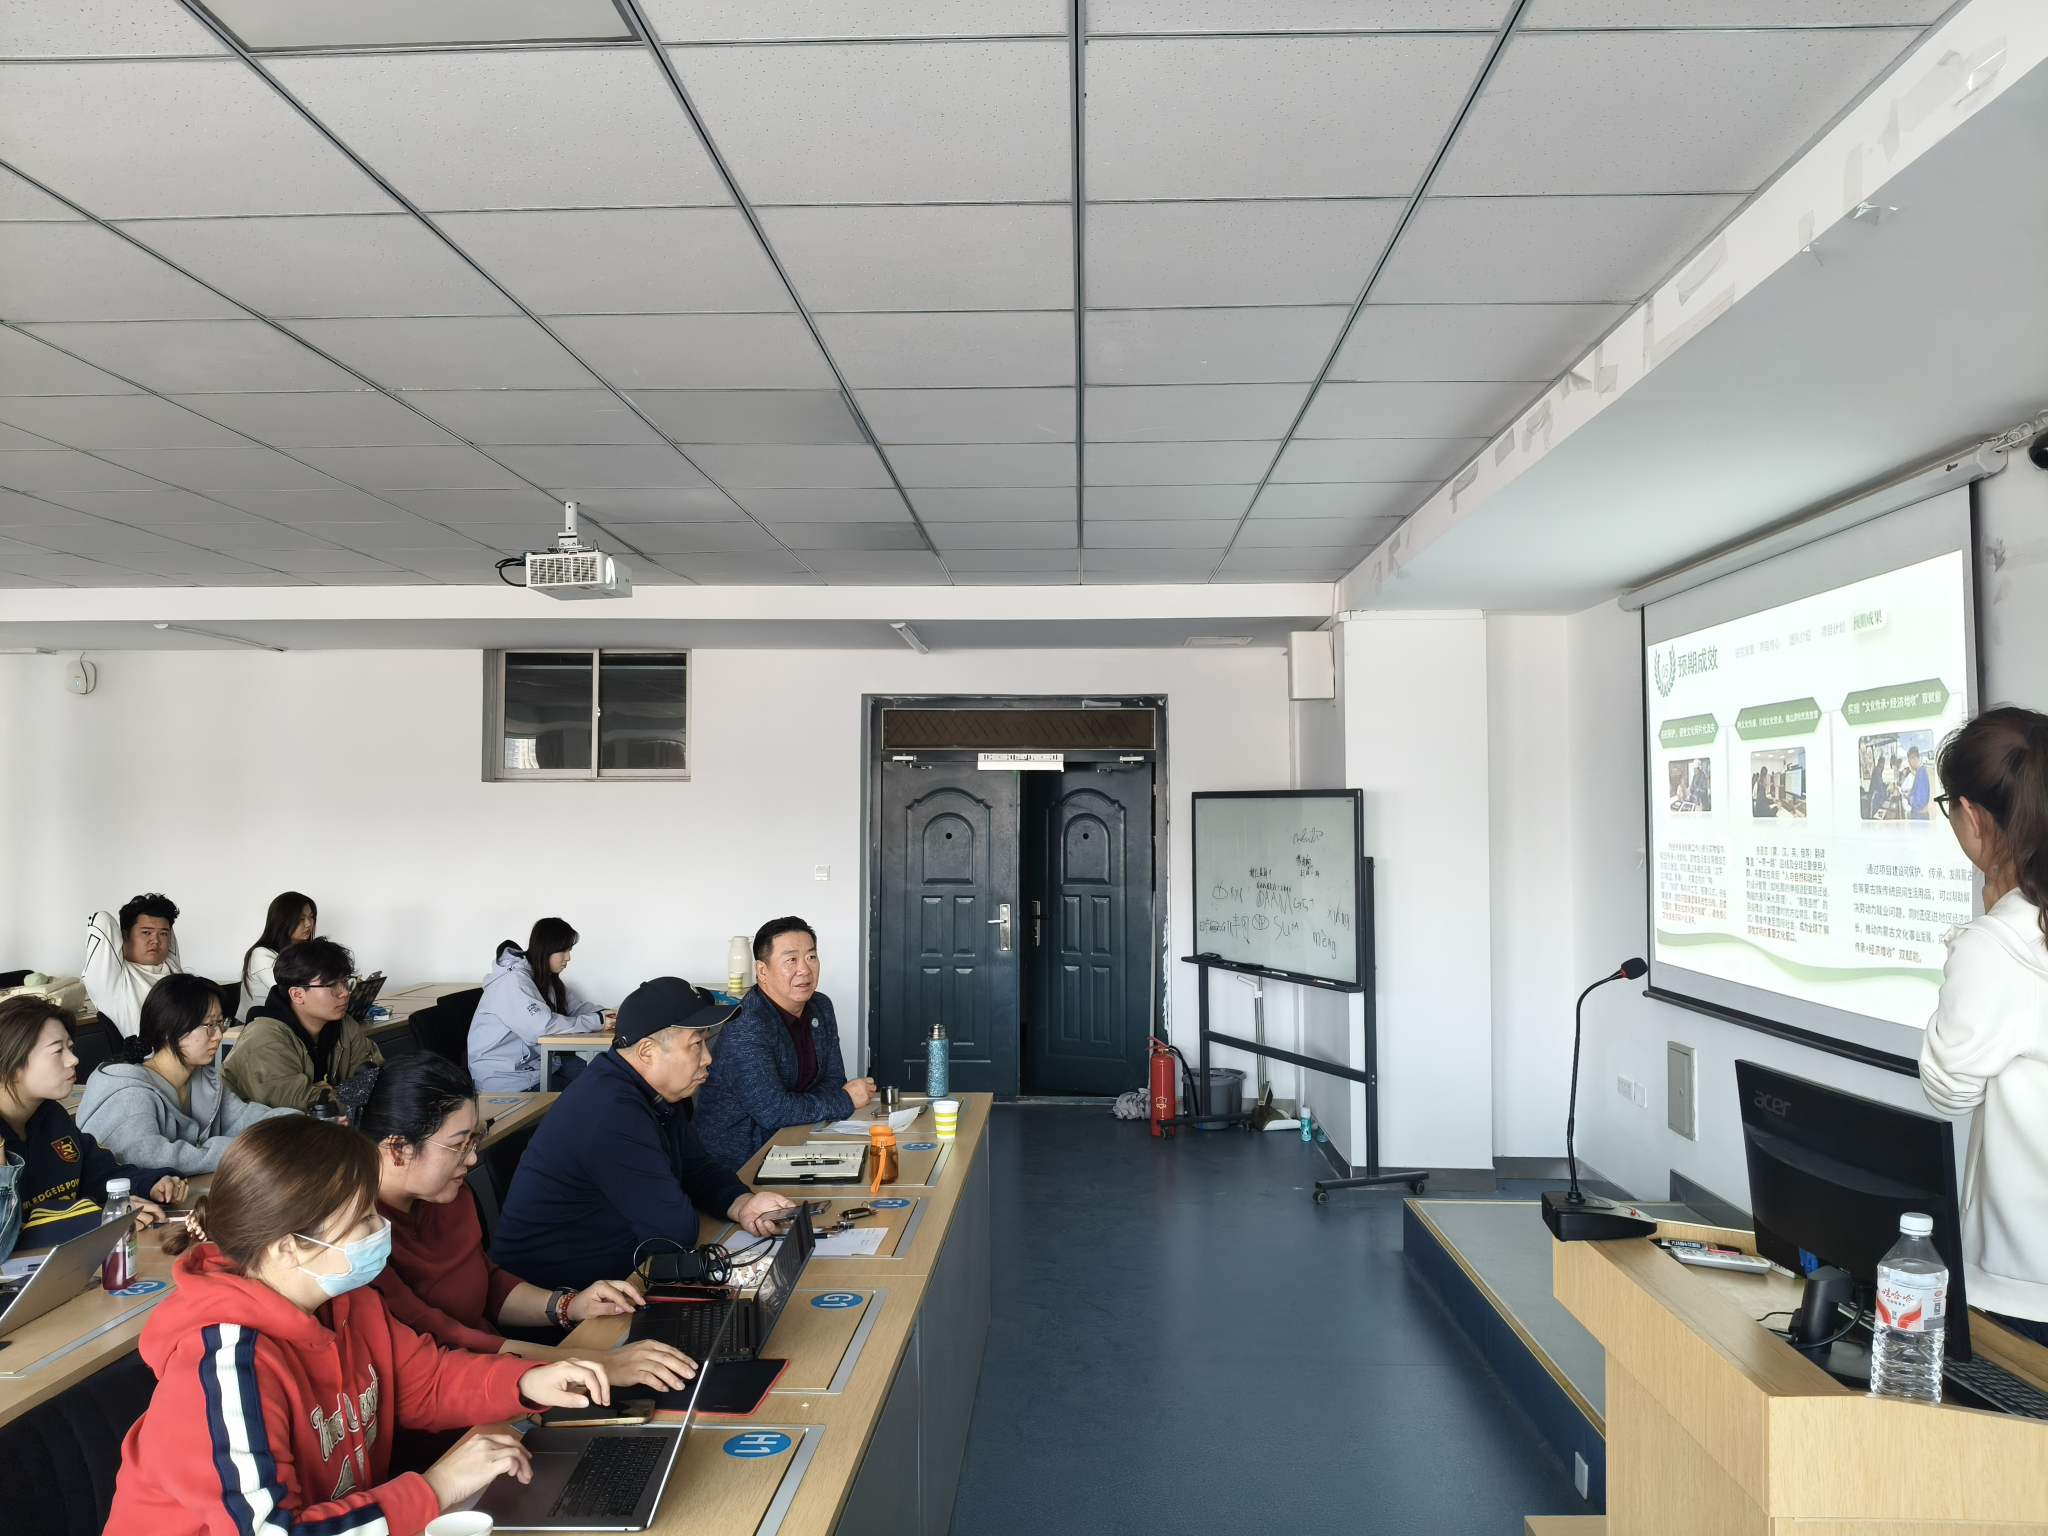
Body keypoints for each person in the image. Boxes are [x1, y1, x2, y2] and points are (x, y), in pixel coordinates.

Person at [107, 1116, 613, 1536]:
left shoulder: (346, 1300)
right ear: (289, 1247)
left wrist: (527, 1381)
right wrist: (436, 1487)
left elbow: (425, 1381)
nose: (382, 1229)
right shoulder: (224, 1367)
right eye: (363, 1221)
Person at [338, 1054, 696, 1391]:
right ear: (398, 1149)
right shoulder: (359, 1239)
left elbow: (484, 1281)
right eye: (458, 1145)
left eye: (474, 1139)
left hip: (503, 1366)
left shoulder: (448, 1195)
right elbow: (446, 1341)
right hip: (463, 1387)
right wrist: (600, 1363)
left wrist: (569, 1305)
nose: (472, 1158)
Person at [489, 977, 796, 1291]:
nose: (708, 1058)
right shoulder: (611, 1110)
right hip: (552, 1297)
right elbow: (672, 1233)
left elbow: (696, 1169)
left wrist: (742, 1203)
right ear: (648, 1051)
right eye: (696, 1044)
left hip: (610, 1279)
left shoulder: (651, 1090)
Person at [1920, 707, 2048, 1349]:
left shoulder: (2001, 943)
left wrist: (1980, 931)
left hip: (2028, 1281)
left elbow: (1949, 1091)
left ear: (1972, 815)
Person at [694, 917, 875, 1171]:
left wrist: (797, 1107)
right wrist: (844, 1100)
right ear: (762, 971)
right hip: (740, 1161)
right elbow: (774, 1111)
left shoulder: (821, 1007)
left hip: (799, 1137)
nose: (804, 969)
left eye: (811, 957)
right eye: (791, 960)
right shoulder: (747, 1023)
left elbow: (833, 1079)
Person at [0, 995, 183, 1244]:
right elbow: (6, 1233)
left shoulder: (52, 1117)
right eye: (57, 1050)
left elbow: (100, 1175)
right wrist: (96, 1218)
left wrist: (151, 1184)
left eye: (70, 1047)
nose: (73, 1059)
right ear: (10, 1065)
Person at [76, 975, 296, 1175]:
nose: (218, 1035)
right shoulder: (129, 1092)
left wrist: (300, 1123)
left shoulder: (204, 1080)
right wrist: (247, 1149)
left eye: (221, 1023)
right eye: (209, 1025)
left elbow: (243, 1118)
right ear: (169, 1028)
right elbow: (146, 1158)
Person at [223, 936, 383, 1111]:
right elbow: (300, 1108)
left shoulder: (345, 1025)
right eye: (332, 986)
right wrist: (343, 1096)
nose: (345, 993)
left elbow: (376, 1079)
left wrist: (333, 1094)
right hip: (263, 1128)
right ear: (297, 995)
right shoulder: (264, 1040)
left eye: (345, 982)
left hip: (331, 1124)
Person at [469, 918, 614, 1094]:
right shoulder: (513, 982)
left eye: (569, 950)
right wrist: (596, 1021)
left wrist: (608, 1015)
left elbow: (574, 1008)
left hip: (542, 1063)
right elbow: (542, 1028)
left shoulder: (544, 977)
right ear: (546, 949)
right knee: (591, 1094)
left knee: (608, 1079)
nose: (568, 957)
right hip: (508, 1077)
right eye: (563, 950)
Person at [83, 892, 183, 1038]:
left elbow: (167, 929)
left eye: (163, 934)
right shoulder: (112, 980)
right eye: (146, 933)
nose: (156, 941)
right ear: (124, 935)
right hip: (151, 1052)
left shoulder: (172, 965)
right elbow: (101, 920)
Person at [241, 890, 317, 1021]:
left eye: (311, 917)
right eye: (301, 919)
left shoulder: (307, 952)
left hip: (295, 1019)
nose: (308, 924)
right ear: (282, 922)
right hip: (262, 1023)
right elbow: (288, 993)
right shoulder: (261, 954)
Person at [1904, 744, 1932, 820]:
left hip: (1919, 816)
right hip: (1919, 816)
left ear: (1914, 758)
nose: (1909, 764)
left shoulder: (1921, 773)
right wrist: (1911, 792)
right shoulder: (1920, 771)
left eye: (1909, 761)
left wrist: (1908, 797)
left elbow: (1919, 802)